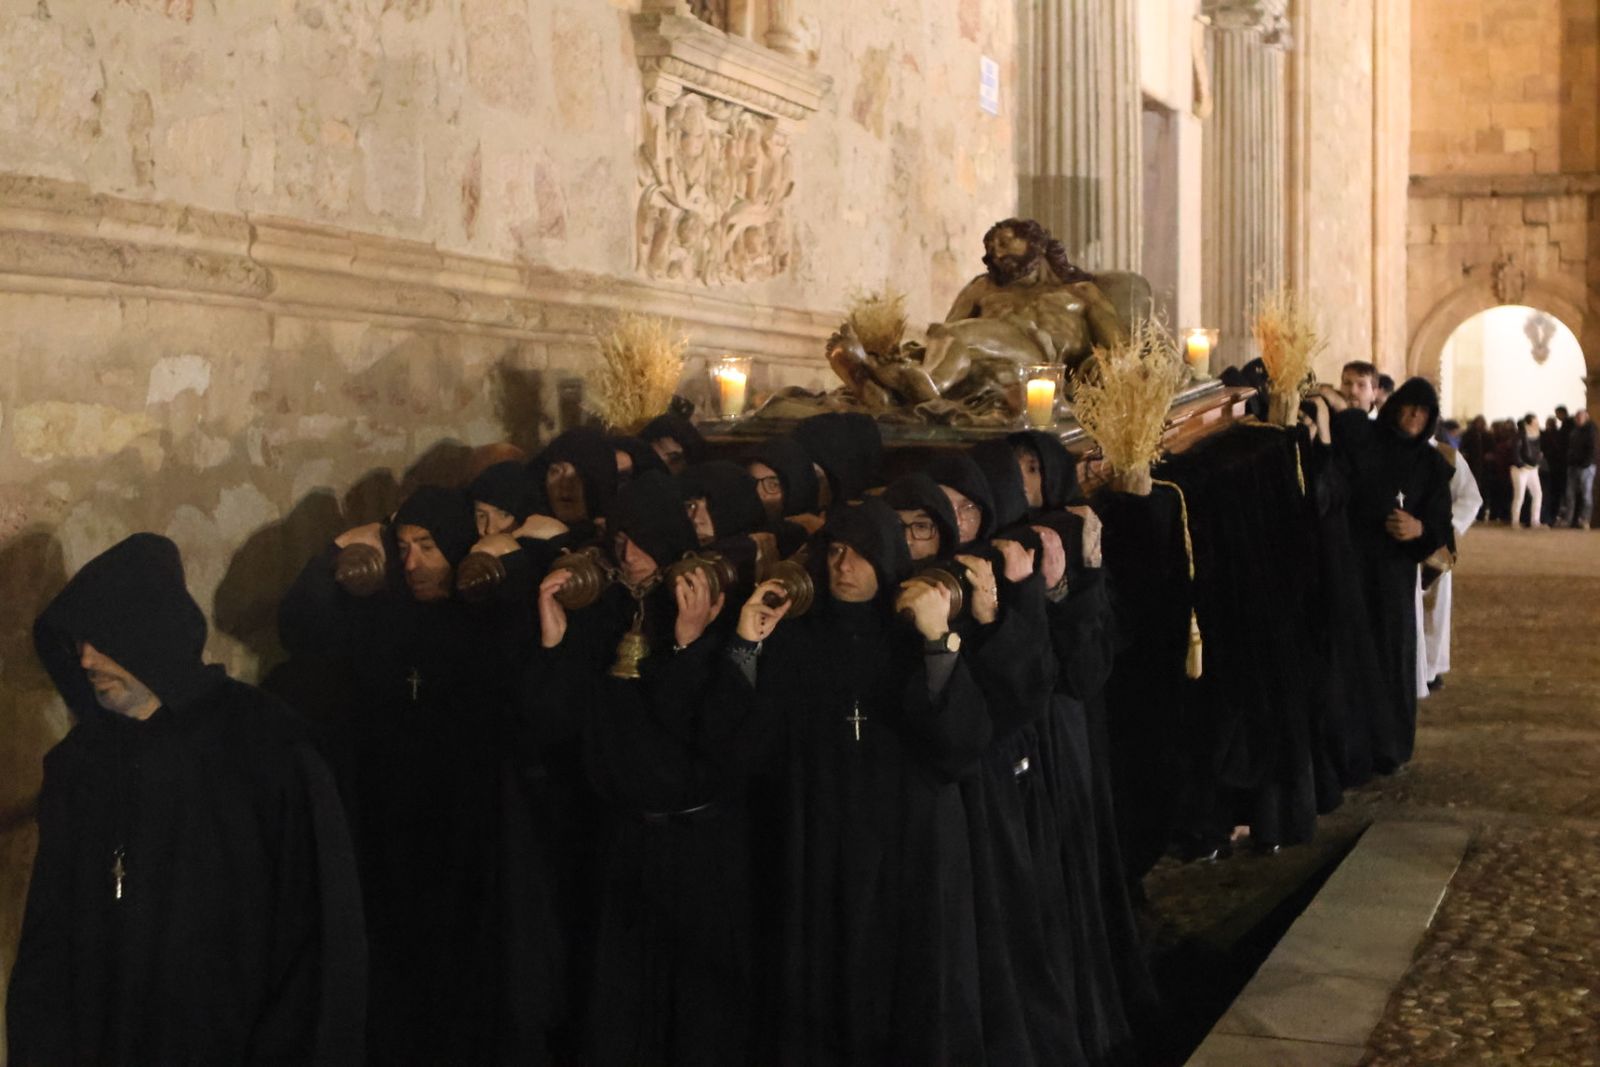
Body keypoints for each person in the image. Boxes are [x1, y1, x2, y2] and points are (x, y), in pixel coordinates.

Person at [10, 534, 366, 1067]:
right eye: (78, 641)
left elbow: (317, 936)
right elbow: (47, 940)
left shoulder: (267, 748)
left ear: (146, 631)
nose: (85, 657)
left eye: (102, 637)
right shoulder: (79, 765)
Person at [710, 497, 990, 1065]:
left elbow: (961, 745)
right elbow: (744, 747)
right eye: (835, 551)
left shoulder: (910, 637)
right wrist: (746, 644)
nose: (843, 566)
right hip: (822, 843)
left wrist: (938, 643)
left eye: (860, 555)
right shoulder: (797, 642)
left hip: (908, 849)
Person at [278, 487, 534, 1065]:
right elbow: (300, 627)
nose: (414, 563)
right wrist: (337, 549)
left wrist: (507, 559)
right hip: (389, 821)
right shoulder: (381, 620)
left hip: (468, 825)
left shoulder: (485, 622)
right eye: (404, 548)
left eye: (428, 546)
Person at [1345, 378, 1454, 771]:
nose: (1413, 416)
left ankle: (1389, 746)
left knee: (1392, 658)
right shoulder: (1364, 443)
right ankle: (1350, 748)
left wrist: (1419, 530)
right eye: (1408, 407)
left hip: (1393, 576)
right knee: (1353, 655)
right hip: (1353, 566)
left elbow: (1442, 525)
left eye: (1422, 413)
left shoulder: (1431, 464)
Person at [1559, 408, 1596, 528]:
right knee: (1569, 494)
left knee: (1586, 494)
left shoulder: (1591, 431)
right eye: (1577, 417)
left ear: (1586, 417)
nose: (1578, 419)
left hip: (1586, 467)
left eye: (1581, 417)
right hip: (1573, 466)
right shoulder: (1574, 430)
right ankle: (1569, 520)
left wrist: (1586, 463)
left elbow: (1593, 449)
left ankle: (1585, 520)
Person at [1509, 413, 1545, 529]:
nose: (1537, 424)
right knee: (1519, 495)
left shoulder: (1536, 435)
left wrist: (1538, 460)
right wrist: (1522, 464)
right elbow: (1515, 452)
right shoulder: (1520, 435)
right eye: (1535, 422)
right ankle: (1515, 521)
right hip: (1521, 469)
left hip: (1533, 469)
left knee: (1538, 493)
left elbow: (1537, 451)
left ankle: (1535, 521)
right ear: (1528, 423)